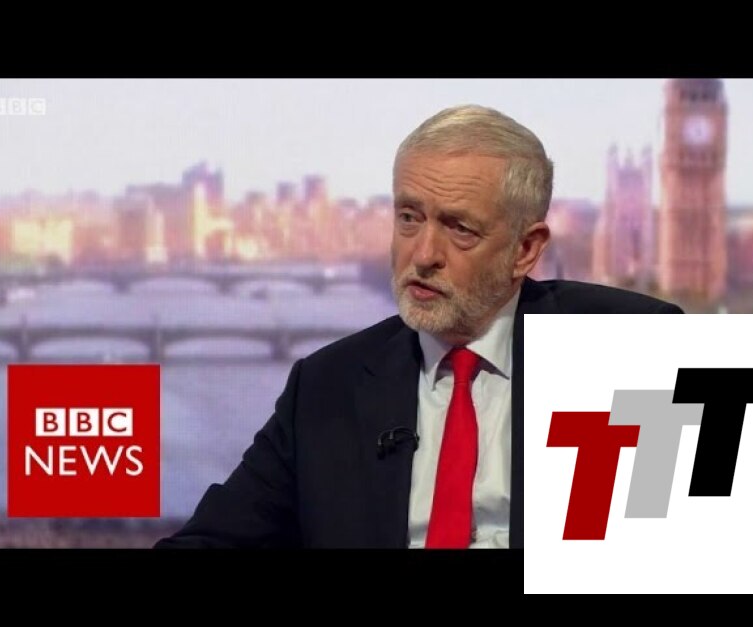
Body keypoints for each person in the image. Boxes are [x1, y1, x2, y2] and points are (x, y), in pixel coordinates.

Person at [154, 104, 683, 549]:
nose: (423, 254)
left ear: (525, 250)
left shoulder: (633, 348)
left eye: (459, 228)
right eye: (409, 218)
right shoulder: (325, 386)